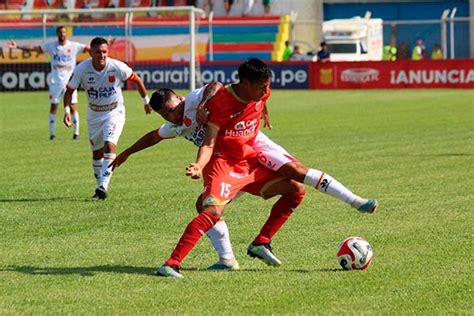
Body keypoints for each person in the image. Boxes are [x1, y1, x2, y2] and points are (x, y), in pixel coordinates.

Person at [110, 79, 377, 271]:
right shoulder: (176, 125)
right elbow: (153, 137)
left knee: (296, 181)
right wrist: (126, 153)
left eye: (172, 109)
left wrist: (203, 104)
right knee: (206, 207)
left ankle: (354, 202)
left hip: (252, 146)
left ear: (180, 98)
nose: (172, 115)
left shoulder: (193, 101)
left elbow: (215, 85)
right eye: (165, 114)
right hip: (227, 163)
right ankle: (228, 258)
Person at [63, 37, 152, 200]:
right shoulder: (82, 69)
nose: (102, 55)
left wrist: (146, 101)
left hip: (114, 113)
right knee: (96, 153)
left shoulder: (117, 66)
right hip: (94, 116)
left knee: (109, 145)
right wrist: (67, 111)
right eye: (98, 52)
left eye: (104, 51)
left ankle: (103, 185)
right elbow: (69, 91)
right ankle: (99, 184)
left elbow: (137, 79)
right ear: (90, 53)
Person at [8, 26, 92, 140]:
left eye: (64, 32)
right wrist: (17, 46)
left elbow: (90, 49)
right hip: (56, 82)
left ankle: (76, 133)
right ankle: (52, 134)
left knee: (73, 107)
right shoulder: (51, 46)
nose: (62, 34)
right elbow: (34, 49)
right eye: (60, 32)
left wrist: (106, 44)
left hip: (70, 82)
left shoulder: (74, 46)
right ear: (57, 34)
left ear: (66, 34)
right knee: (54, 107)